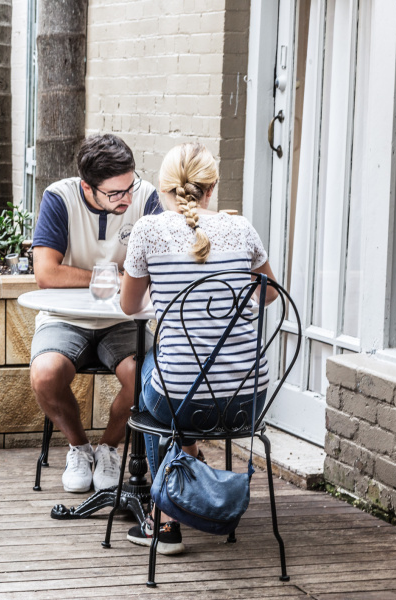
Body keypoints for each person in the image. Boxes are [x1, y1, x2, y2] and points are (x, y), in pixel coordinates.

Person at [119, 142, 278, 555]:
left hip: (186, 403)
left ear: (162, 189)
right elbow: (271, 294)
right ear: (212, 188)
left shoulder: (148, 230)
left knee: (152, 388)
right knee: (168, 386)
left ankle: (164, 521)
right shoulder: (241, 228)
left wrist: (173, 301)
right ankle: (189, 456)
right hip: (249, 399)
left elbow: (129, 306)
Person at [30, 133, 162, 494]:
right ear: (88, 187)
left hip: (125, 319)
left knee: (144, 378)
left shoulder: (147, 199)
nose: (127, 199)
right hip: (64, 318)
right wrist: (110, 277)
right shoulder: (60, 197)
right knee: (45, 375)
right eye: (115, 193)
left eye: (129, 187)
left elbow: (163, 268)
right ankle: (79, 447)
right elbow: (46, 273)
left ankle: (109, 448)